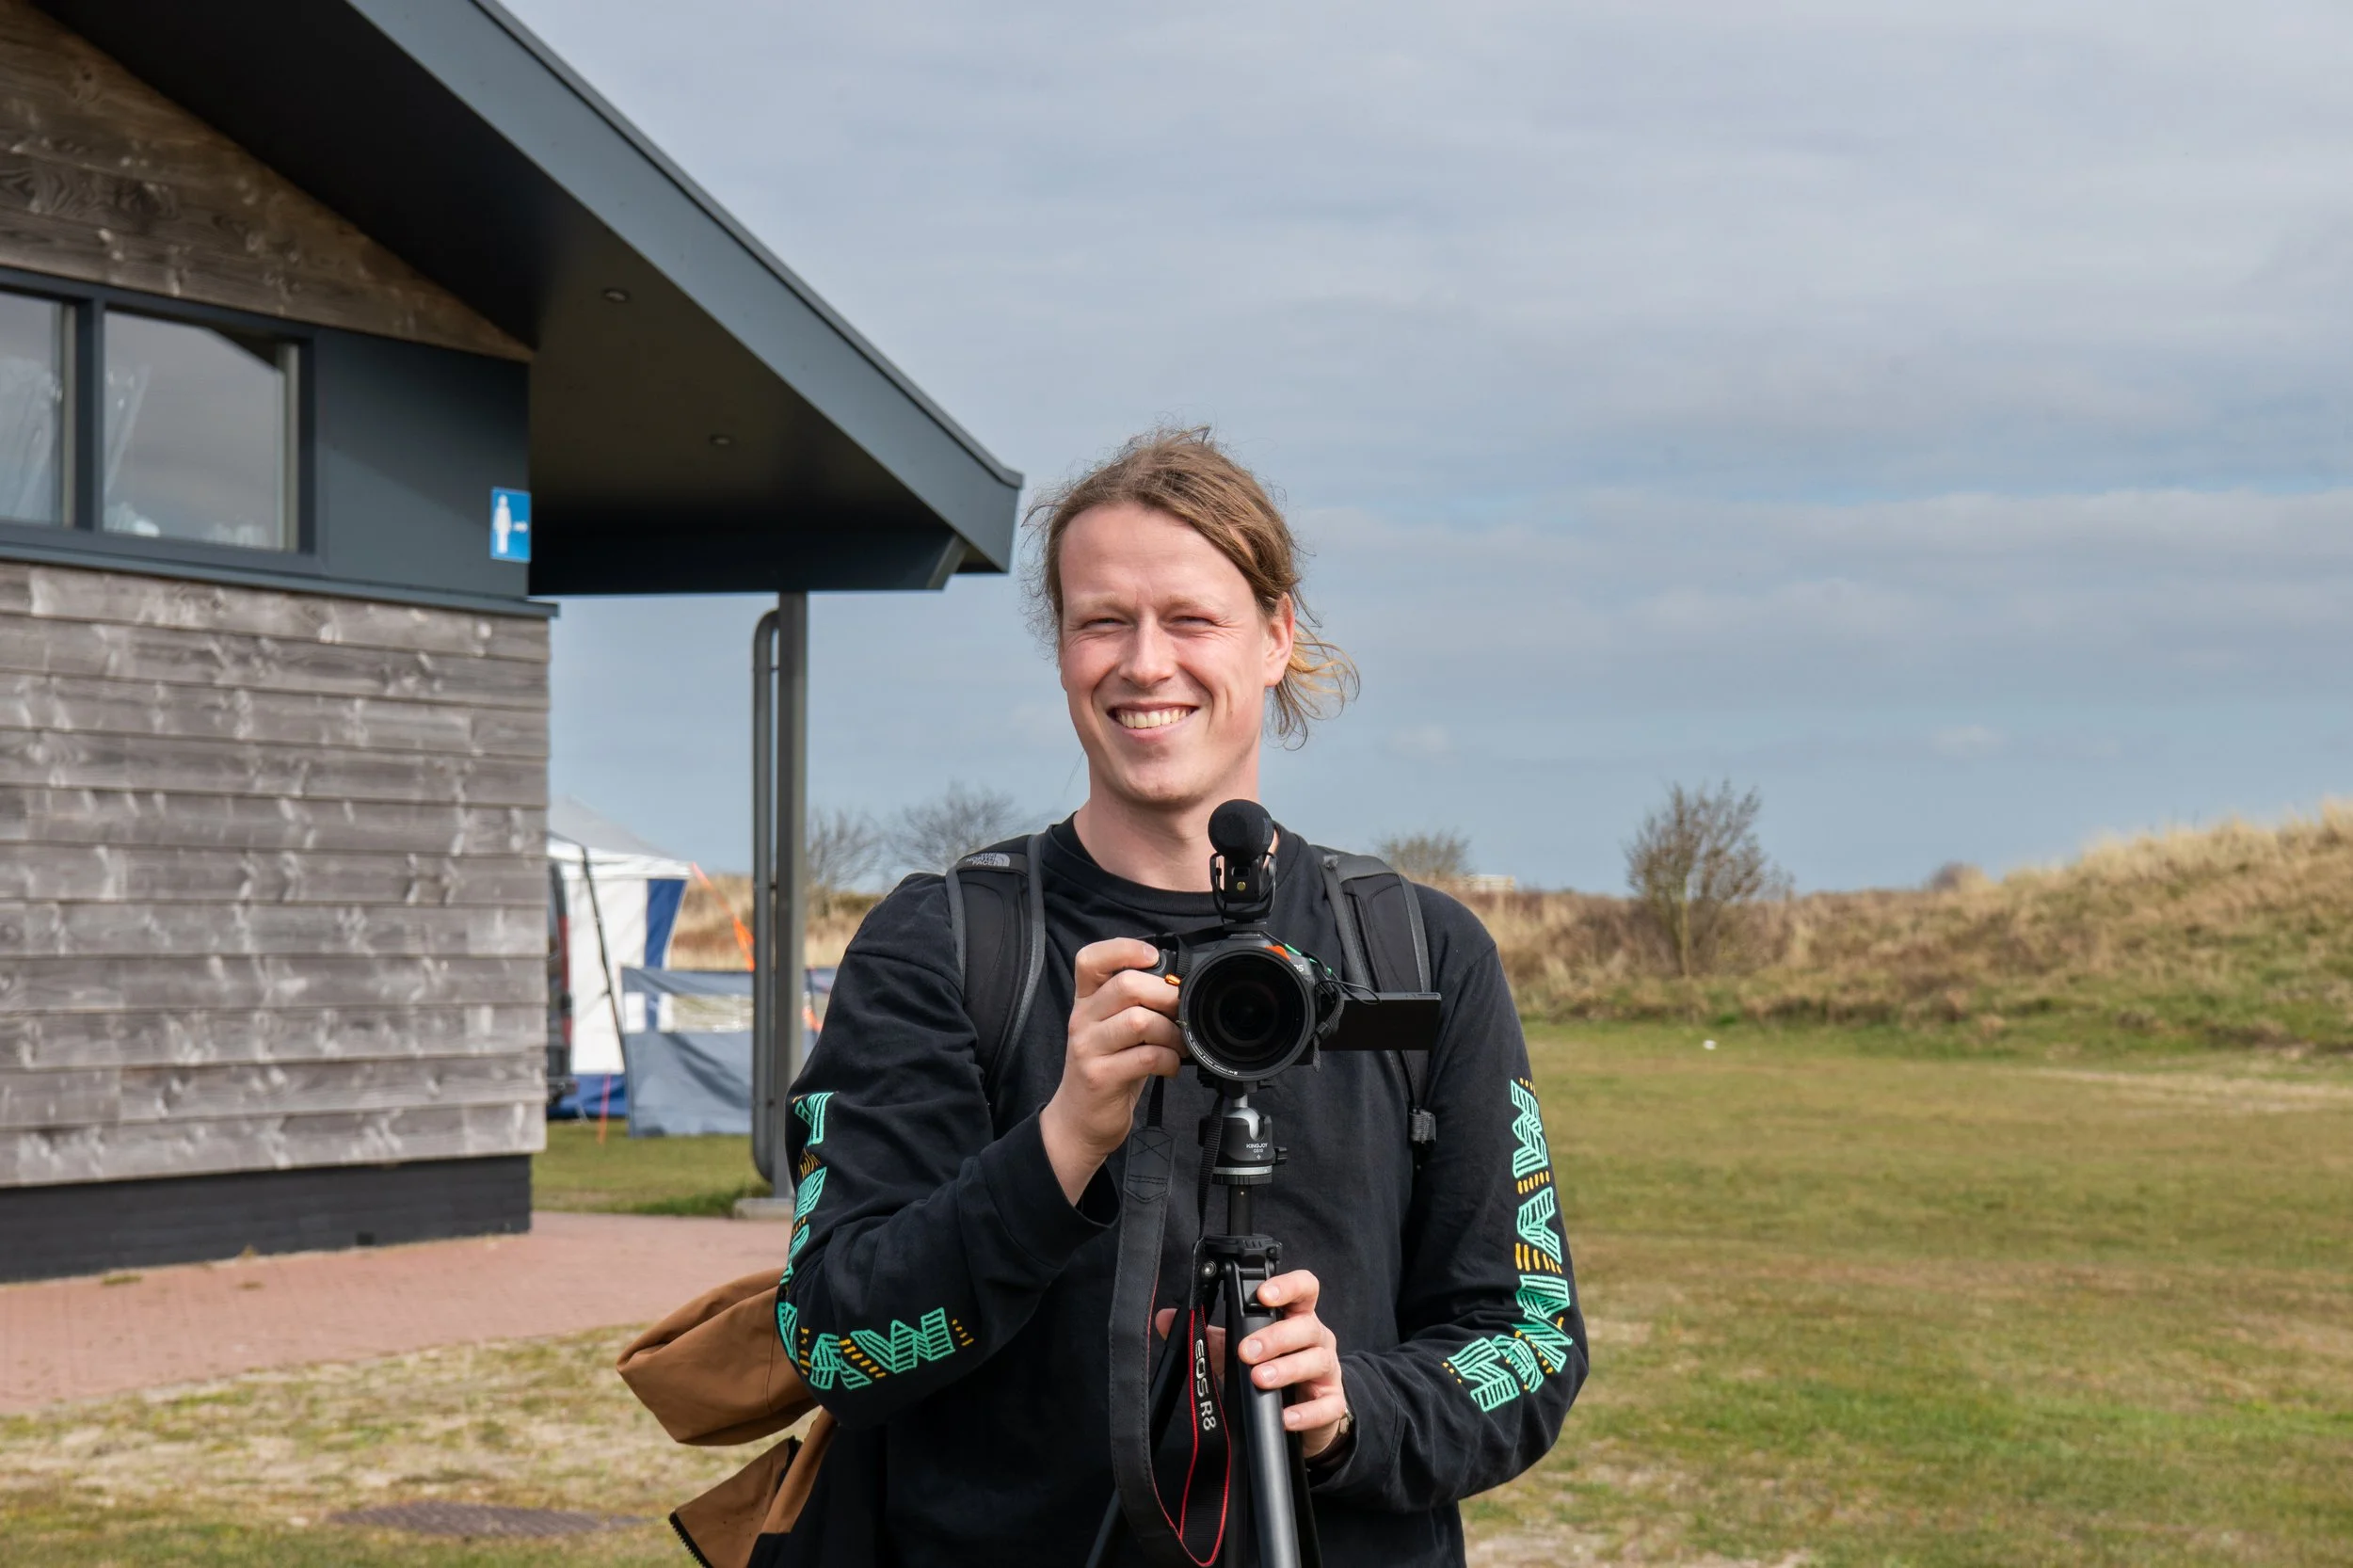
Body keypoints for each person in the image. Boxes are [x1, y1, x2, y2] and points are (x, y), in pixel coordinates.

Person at [776, 429, 1585, 1565]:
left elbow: (1530, 1340)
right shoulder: (944, 944)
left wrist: (1349, 1404)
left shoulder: (1419, 951)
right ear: (1060, 648)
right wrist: (1059, 1144)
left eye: (1191, 619)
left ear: (1275, 637)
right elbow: (831, 1344)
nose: (1144, 663)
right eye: (1102, 619)